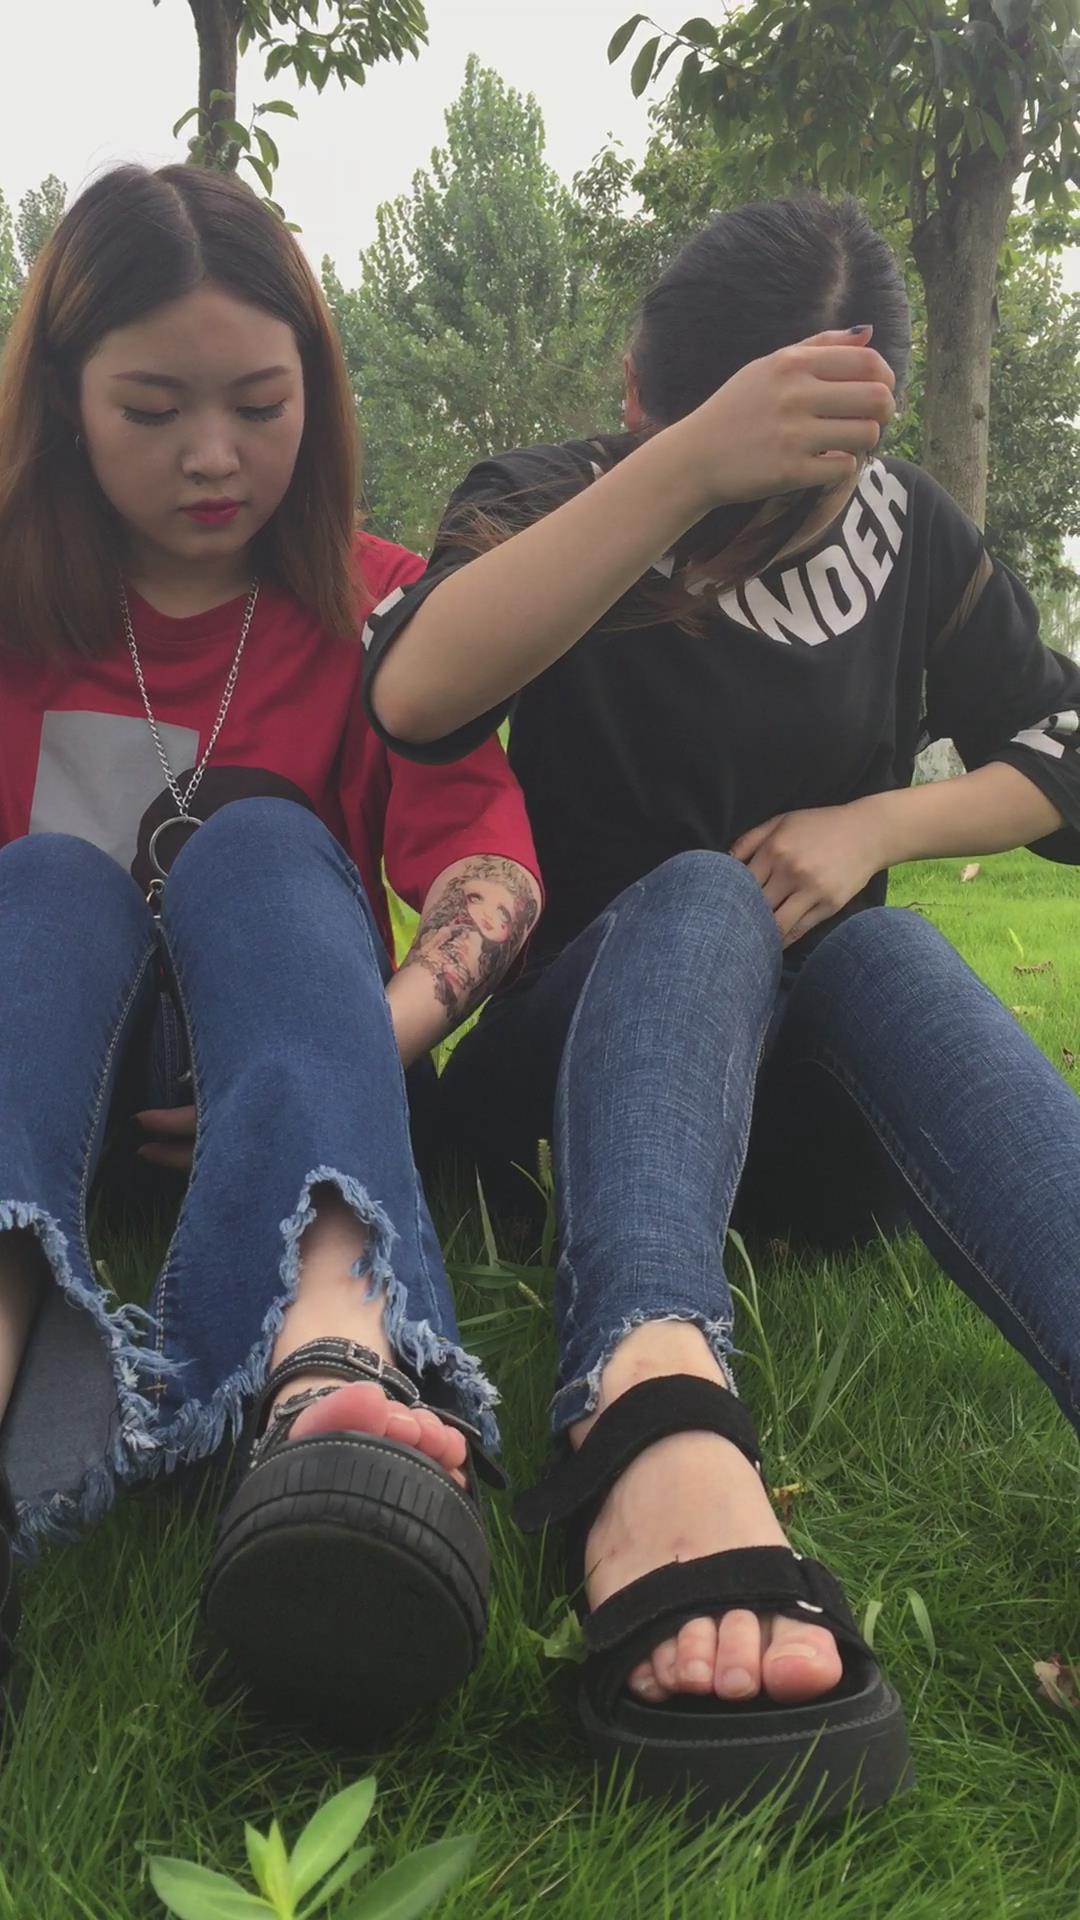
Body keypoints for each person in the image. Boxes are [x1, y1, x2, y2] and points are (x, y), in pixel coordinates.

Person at [360, 196, 1080, 1818]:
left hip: (806, 1132)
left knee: (885, 955)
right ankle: (648, 1398)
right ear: (639, 388)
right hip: (565, 1095)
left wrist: (877, 824)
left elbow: (1063, 747)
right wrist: (683, 468)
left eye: (798, 490)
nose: (760, 529)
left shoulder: (911, 537)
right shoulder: (551, 499)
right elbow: (413, 694)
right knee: (701, 893)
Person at [0, 162, 542, 1743]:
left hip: (297, 1056)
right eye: (152, 408)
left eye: (258, 402)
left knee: (251, 838)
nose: (214, 456)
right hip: (43, 1054)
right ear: (63, 400)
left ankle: (335, 1372)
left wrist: (371, 1032)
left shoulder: (379, 610)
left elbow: (488, 871)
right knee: (49, 880)